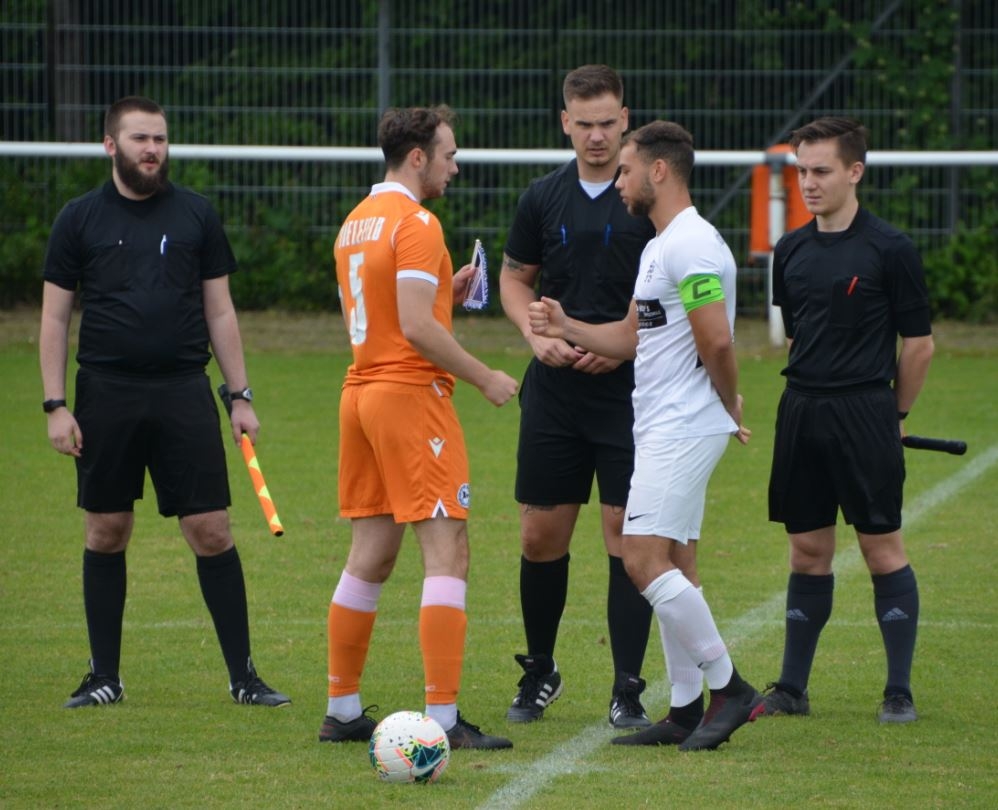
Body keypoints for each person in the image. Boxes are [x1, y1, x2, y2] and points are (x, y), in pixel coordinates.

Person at [40, 95, 289, 709]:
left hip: (184, 390)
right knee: (106, 530)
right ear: (111, 146)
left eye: (159, 139)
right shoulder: (78, 218)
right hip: (105, 394)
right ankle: (104, 676)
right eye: (140, 139)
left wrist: (240, 395)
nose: (152, 149)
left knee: (211, 529)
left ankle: (244, 678)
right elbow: (54, 318)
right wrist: (55, 405)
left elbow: (220, 311)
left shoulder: (196, 214)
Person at [529, 120, 763, 751]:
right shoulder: (660, 246)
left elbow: (717, 340)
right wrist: (566, 324)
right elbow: (632, 337)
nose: (619, 182)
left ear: (659, 170)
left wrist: (728, 401)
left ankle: (731, 688)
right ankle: (685, 708)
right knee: (675, 561)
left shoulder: (694, 245)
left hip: (682, 428)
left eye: (627, 170)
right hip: (663, 424)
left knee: (639, 557)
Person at [320, 105, 519, 750]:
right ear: (417, 157)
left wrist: (443, 296)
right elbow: (413, 327)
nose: (454, 168)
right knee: (447, 549)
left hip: (361, 393)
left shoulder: (356, 221)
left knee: (371, 554)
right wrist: (485, 376)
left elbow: (391, 312)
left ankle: (342, 709)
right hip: (409, 396)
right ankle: (446, 719)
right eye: (448, 155)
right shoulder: (418, 223)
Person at [762, 117, 934, 724]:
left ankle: (898, 691)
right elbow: (798, 336)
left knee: (881, 548)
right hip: (801, 410)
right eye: (801, 171)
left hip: (865, 411)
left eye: (821, 171)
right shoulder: (790, 249)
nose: (808, 183)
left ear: (854, 171)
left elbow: (919, 345)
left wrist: (895, 414)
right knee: (807, 550)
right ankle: (792, 688)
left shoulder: (891, 248)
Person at [499, 64, 657, 729]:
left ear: (626, 120)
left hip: (629, 394)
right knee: (540, 536)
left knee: (625, 537)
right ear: (565, 122)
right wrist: (534, 337)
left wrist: (623, 345)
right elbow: (515, 281)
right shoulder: (542, 197)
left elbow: (675, 293)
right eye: (584, 123)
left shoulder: (647, 198)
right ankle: (540, 670)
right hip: (556, 394)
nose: (596, 136)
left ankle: (627, 687)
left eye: (607, 123)